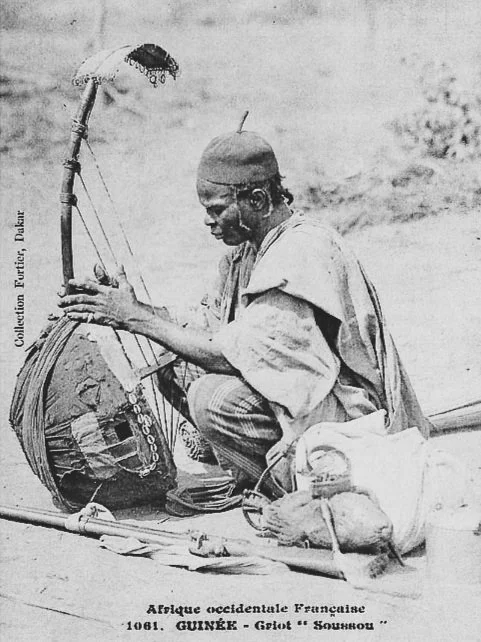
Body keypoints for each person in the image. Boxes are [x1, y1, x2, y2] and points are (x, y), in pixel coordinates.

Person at [58, 119, 432, 497]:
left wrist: (134, 317)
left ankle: (281, 481)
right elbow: (208, 324)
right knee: (172, 363)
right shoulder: (247, 252)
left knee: (209, 398)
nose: (208, 220)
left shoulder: (299, 253)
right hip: (294, 392)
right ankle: (240, 456)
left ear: (257, 200)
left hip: (341, 416)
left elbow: (226, 355)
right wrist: (134, 306)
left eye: (217, 209)